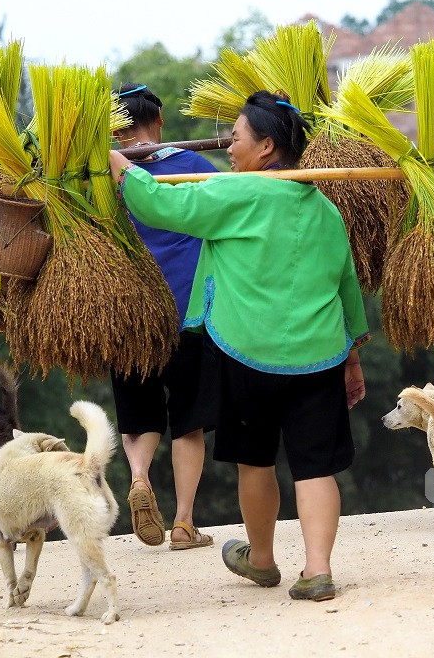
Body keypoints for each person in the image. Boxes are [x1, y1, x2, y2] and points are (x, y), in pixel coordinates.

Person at [109, 90, 369, 601]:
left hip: (246, 356)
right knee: (315, 467)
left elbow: (162, 204)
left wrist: (119, 164)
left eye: (237, 137)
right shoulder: (327, 212)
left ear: (267, 146)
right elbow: (347, 289)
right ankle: (317, 570)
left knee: (256, 461)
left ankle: (264, 560)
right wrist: (353, 359)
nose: (229, 147)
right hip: (320, 357)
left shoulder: (235, 194)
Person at [110, 82, 219, 551]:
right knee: (188, 423)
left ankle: (139, 478)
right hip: (187, 312)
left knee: (138, 417)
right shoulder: (194, 166)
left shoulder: (100, 177)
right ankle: (183, 523)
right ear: (159, 123)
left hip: (128, 316)